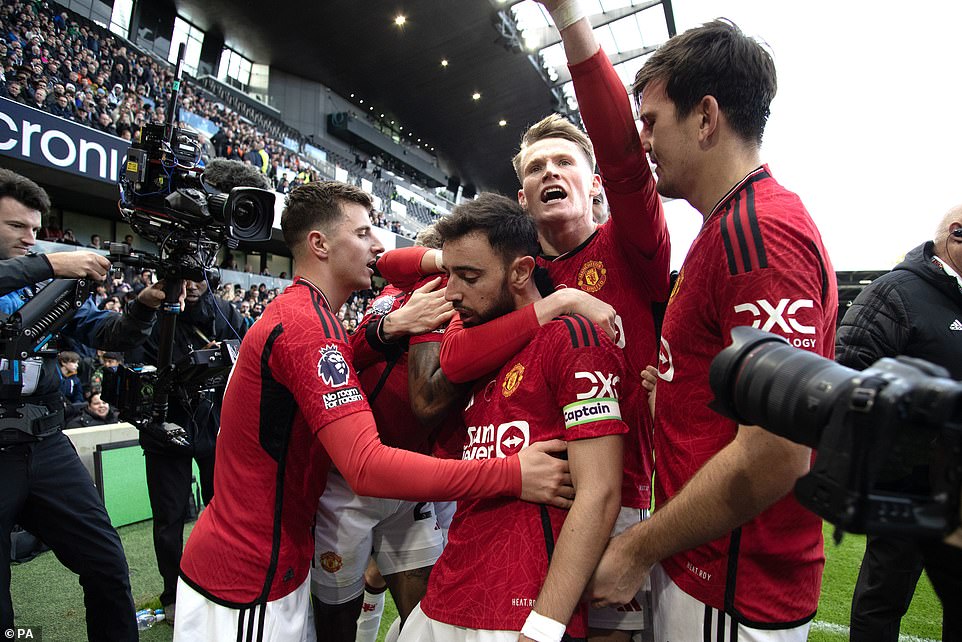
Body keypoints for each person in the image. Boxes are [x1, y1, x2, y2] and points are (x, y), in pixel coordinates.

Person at [174, 181, 573, 642]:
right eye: (364, 233)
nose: (378, 244)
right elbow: (365, 465)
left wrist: (391, 321)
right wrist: (510, 473)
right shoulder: (309, 328)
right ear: (320, 244)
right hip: (249, 575)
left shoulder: (311, 315)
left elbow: (387, 282)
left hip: (268, 560)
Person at [583, 19, 838, 641]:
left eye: (651, 121)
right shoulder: (725, 226)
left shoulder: (760, 237)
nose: (642, 140)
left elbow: (776, 452)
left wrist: (636, 547)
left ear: (705, 117)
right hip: (704, 566)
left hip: (730, 582)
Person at [399, 193, 629, 641]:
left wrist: (543, 626)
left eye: (469, 277)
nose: (451, 293)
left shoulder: (574, 338)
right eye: (448, 274)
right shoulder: (477, 344)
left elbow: (600, 492)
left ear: (521, 270)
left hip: (517, 610)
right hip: (446, 594)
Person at [0, 168, 173, 641]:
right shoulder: (42, 270)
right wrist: (52, 263)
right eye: (17, 227)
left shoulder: (41, 284)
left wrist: (143, 304)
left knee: (107, 563)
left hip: (46, 444)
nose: (31, 239)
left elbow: (108, 335)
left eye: (36, 230)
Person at [124, 158, 267, 626]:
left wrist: (201, 291)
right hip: (164, 419)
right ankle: (171, 593)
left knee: (220, 507)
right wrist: (165, 296)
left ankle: (216, 581)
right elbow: (131, 343)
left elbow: (239, 338)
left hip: (212, 417)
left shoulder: (218, 304)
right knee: (168, 520)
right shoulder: (151, 302)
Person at [311, 232, 459, 641]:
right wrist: (392, 326)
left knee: (426, 615)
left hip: (411, 477)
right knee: (335, 614)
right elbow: (348, 355)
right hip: (348, 477)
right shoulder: (390, 294)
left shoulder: (461, 296)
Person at [837, 206, 962, 641]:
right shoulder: (895, 292)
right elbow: (850, 374)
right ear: (955, 236)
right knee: (884, 597)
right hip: (906, 485)